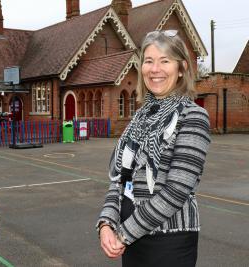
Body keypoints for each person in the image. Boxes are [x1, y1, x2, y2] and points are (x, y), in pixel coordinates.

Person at [96, 30, 211, 267]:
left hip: (170, 243)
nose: (154, 69)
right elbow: (119, 178)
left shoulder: (193, 116)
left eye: (164, 61)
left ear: (181, 69)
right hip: (132, 241)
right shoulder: (139, 117)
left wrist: (124, 233)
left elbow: (176, 190)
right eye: (149, 61)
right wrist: (107, 223)